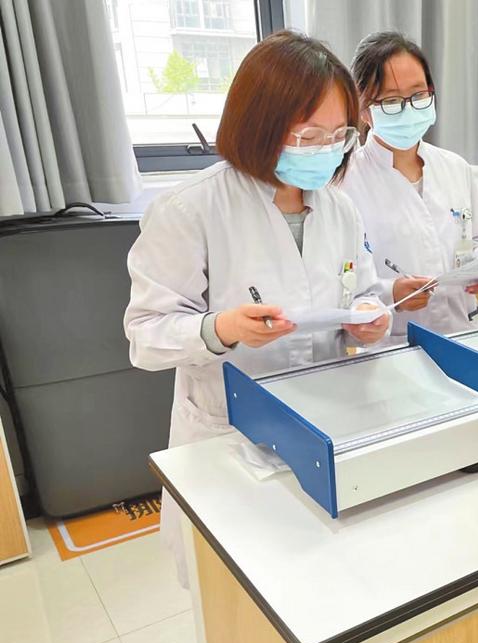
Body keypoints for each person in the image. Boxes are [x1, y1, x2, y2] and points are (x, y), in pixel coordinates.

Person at [124, 31, 391, 586]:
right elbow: (145, 334)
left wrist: (368, 317)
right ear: (260, 124)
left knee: (319, 578)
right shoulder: (190, 208)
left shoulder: (339, 209)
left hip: (321, 422)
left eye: (340, 134)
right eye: (309, 135)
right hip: (226, 435)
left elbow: (362, 288)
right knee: (233, 591)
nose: (327, 149)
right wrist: (220, 329)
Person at [342, 31, 478, 345]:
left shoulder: (454, 167)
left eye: (418, 95)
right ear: (363, 108)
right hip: (395, 343)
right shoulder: (344, 183)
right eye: (390, 101)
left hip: (464, 331)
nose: (408, 109)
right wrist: (390, 292)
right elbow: (339, 282)